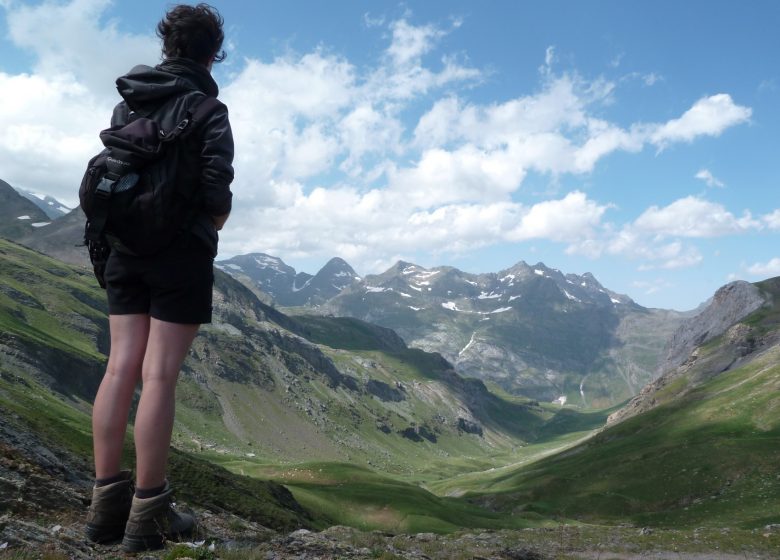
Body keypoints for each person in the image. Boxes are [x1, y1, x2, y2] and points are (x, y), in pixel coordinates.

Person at [84, 3, 234, 552]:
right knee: (160, 376)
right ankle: (149, 514)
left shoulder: (129, 103)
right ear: (212, 52)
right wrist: (200, 234)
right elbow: (217, 195)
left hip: (122, 251)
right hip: (178, 257)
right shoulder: (209, 108)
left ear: (166, 46)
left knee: (119, 367)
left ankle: (103, 511)